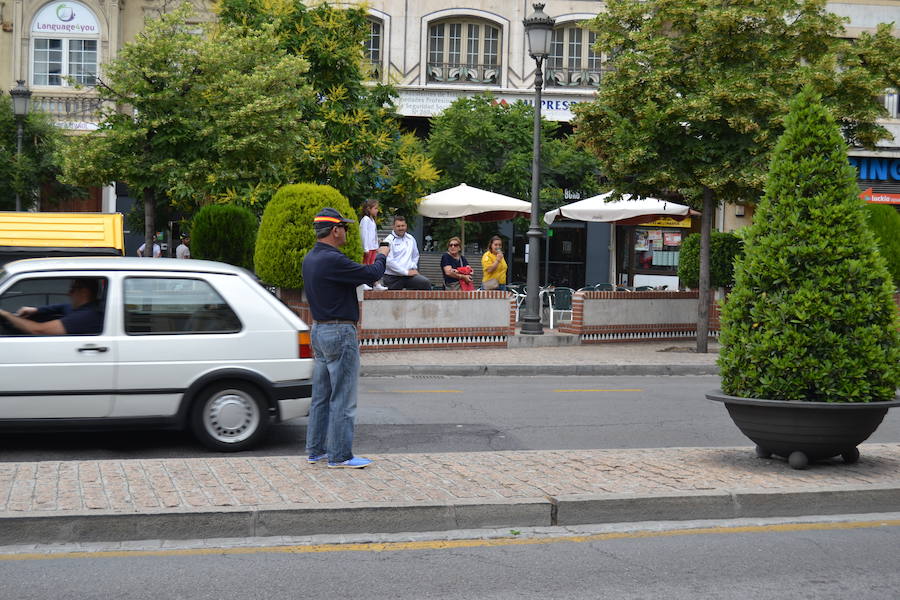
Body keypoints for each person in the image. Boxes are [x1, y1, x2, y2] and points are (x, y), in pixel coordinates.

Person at [302, 207, 389, 469]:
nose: (347, 232)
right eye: (345, 227)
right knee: (343, 397)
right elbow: (372, 273)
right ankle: (340, 455)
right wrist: (383, 254)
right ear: (335, 230)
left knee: (321, 397)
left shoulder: (311, 258)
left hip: (318, 330)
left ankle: (316, 451)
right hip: (340, 332)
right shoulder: (333, 259)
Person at [0, 278, 103, 335]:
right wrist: (36, 310)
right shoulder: (81, 307)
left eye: (72, 289)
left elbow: (38, 330)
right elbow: (61, 307)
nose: (69, 293)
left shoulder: (87, 316)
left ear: (84, 292)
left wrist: (7, 314)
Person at [382, 215, 431, 290]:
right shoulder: (388, 241)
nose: (401, 228)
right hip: (392, 277)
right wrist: (405, 272)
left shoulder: (410, 238)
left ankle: (426, 302)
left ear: (406, 226)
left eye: (403, 226)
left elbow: (415, 255)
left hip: (409, 276)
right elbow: (389, 262)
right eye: (398, 226)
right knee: (393, 299)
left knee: (425, 282)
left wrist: (413, 267)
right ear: (393, 227)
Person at [359, 199, 387, 290]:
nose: (377, 210)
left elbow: (373, 234)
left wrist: (376, 245)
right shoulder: (365, 220)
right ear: (369, 209)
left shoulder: (372, 220)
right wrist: (365, 248)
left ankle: (375, 283)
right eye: (375, 208)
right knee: (365, 265)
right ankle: (363, 282)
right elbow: (364, 234)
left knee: (372, 266)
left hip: (373, 247)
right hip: (368, 248)